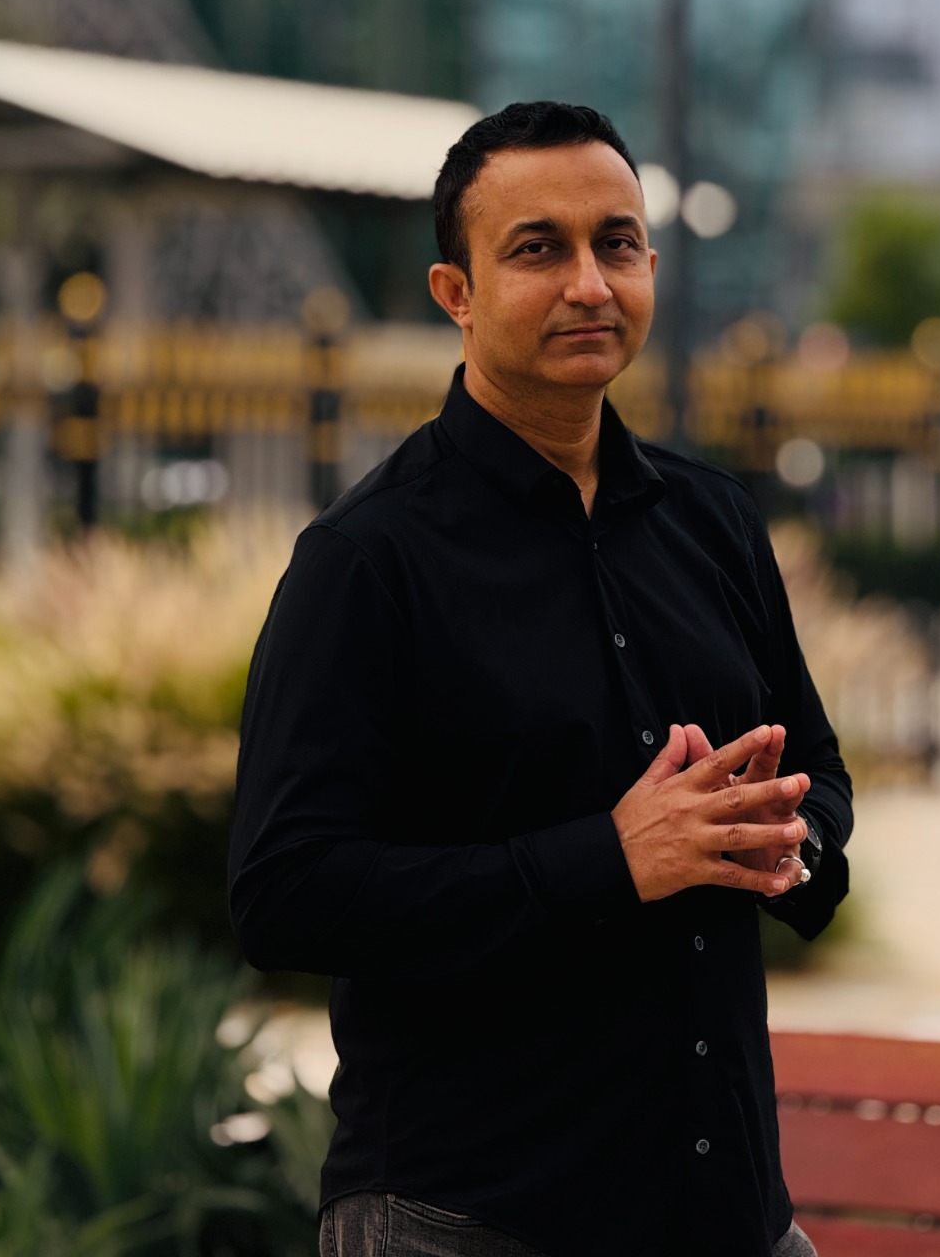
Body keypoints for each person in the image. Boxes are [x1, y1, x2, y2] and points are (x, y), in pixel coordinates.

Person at [228, 101, 852, 1257]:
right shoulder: (368, 560)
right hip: (470, 1215)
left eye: (617, 243)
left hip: (725, 1211)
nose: (589, 283)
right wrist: (608, 858)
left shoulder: (714, 522)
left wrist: (784, 839)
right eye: (538, 248)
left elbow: (818, 767)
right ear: (455, 292)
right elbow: (286, 890)